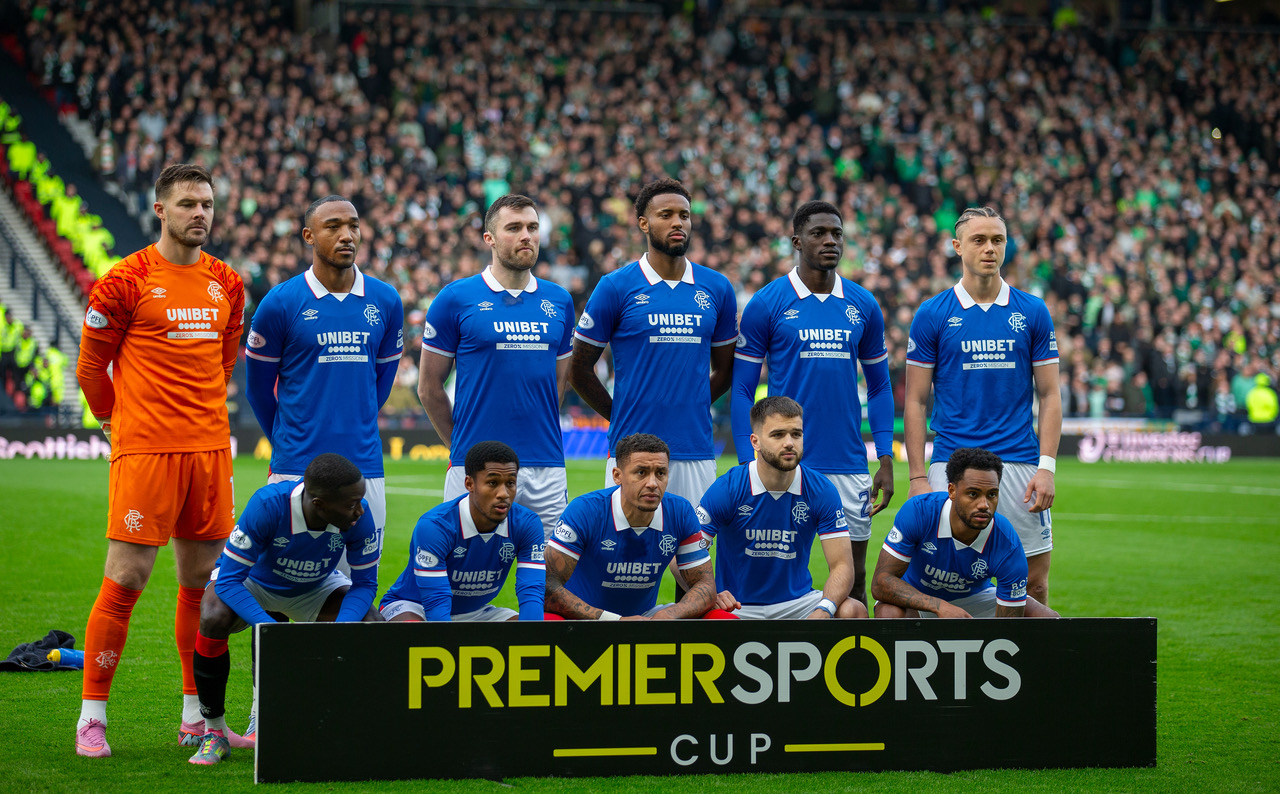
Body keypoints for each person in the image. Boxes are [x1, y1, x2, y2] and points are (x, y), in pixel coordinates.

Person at [73, 164, 246, 757]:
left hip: (209, 450)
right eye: (188, 203)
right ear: (160, 210)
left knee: (203, 586)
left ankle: (195, 716)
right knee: (126, 579)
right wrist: (113, 426)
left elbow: (223, 364)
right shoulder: (125, 280)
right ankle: (91, 717)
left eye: (208, 203)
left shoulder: (228, 282)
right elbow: (92, 369)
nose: (200, 213)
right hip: (146, 451)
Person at [731, 200, 894, 608]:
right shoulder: (768, 303)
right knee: (772, 588)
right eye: (819, 233)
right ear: (797, 241)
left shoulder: (863, 305)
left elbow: (879, 387)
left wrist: (887, 457)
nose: (830, 241)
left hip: (849, 464)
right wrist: (745, 463)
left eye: (837, 234)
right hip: (786, 465)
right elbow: (741, 392)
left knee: (854, 588)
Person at [904, 206, 1062, 607]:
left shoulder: (1032, 311)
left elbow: (1050, 395)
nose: (989, 248)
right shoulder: (933, 313)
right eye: (979, 240)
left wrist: (1047, 468)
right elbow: (916, 400)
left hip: (1019, 463)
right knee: (937, 580)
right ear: (957, 247)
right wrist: (918, 477)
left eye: (997, 240)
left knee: (1035, 586)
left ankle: (1024, 667)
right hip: (951, 464)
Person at [187, 453, 382, 766]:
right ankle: (215, 733)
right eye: (351, 504)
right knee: (212, 615)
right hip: (254, 583)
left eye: (360, 501)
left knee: (372, 622)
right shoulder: (268, 505)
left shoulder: (359, 516)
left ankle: (347, 729)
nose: (360, 510)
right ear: (319, 503)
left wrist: (342, 628)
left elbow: (365, 585)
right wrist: (270, 629)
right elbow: (227, 582)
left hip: (315, 587)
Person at [570, 177, 738, 507]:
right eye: (666, 215)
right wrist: (618, 413)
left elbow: (727, 369)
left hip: (695, 448)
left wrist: (695, 402)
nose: (678, 222)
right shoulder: (615, 286)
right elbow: (578, 367)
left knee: (693, 555)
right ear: (644, 224)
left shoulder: (717, 288)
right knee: (625, 555)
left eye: (684, 215)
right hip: (631, 450)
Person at [418, 194, 575, 539]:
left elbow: (560, 383)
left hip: (546, 465)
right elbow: (429, 387)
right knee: (462, 576)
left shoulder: (560, 301)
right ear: (489, 238)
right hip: (475, 466)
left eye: (533, 227)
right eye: (514, 228)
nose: (526, 236)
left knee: (553, 580)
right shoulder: (455, 298)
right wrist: (462, 447)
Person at [245, 194, 404, 535]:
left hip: (364, 467)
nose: (347, 235)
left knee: (360, 579)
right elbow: (257, 389)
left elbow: (382, 382)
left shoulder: (386, 300)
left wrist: (355, 424)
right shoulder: (280, 303)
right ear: (309, 236)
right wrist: (286, 440)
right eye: (333, 227)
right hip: (296, 467)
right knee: (290, 580)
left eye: (353, 226)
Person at [697, 396, 867, 619]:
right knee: (707, 616)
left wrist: (825, 608)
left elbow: (842, 565)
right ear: (755, 442)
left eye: (796, 434)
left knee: (852, 610)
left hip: (797, 604)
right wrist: (710, 593)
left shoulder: (821, 489)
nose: (789, 442)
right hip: (737, 606)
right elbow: (685, 555)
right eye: (778, 435)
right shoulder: (728, 488)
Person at [543, 433, 725, 620]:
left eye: (660, 473)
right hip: (585, 619)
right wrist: (614, 620)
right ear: (617, 476)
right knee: (547, 620)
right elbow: (546, 585)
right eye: (641, 473)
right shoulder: (585, 510)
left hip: (643, 617)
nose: (653, 483)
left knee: (721, 618)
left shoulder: (680, 512)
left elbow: (705, 586)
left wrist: (668, 614)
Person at [871, 447, 1058, 619]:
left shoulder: (1007, 542)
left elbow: (1008, 626)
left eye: (992, 494)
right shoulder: (919, 511)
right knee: (889, 614)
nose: (984, 505)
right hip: (916, 597)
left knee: (1047, 619)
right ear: (952, 491)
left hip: (976, 599)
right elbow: (880, 583)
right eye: (973, 494)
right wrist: (938, 606)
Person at [379, 441, 545, 622]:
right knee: (418, 635)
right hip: (417, 607)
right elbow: (436, 601)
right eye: (492, 483)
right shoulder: (435, 526)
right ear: (469, 483)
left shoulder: (527, 523)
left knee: (535, 632)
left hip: (477, 612)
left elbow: (531, 590)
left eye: (511, 483)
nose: (503, 493)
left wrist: (531, 639)